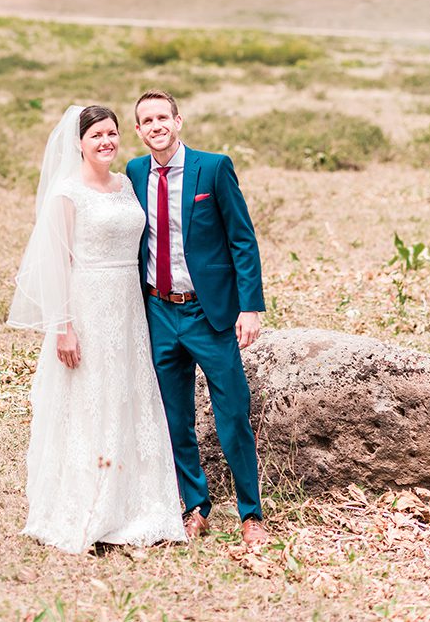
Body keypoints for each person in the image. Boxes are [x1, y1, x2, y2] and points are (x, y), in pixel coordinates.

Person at [8, 105, 186, 554]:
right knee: (90, 400)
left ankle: (136, 505)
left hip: (128, 308)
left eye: (112, 133)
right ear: (79, 143)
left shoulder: (126, 184)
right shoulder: (66, 194)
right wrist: (63, 328)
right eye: (97, 135)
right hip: (86, 306)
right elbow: (56, 265)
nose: (107, 141)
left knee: (128, 395)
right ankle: (89, 506)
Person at [127, 89, 270, 549]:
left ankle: (251, 514)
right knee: (174, 417)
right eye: (146, 120)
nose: (155, 126)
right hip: (158, 311)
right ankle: (195, 506)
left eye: (162, 117)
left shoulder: (213, 167)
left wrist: (250, 307)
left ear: (178, 120)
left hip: (209, 314)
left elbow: (242, 241)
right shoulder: (133, 173)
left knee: (232, 415)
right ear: (138, 130)